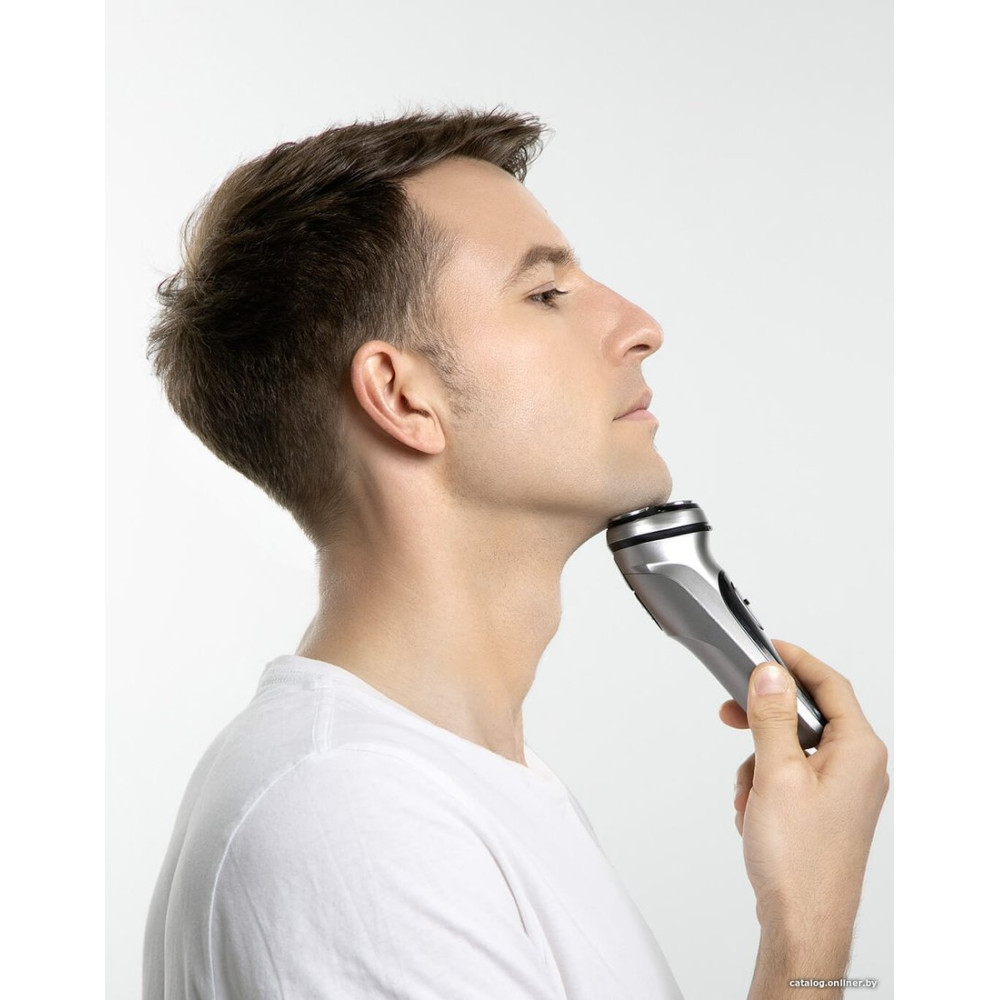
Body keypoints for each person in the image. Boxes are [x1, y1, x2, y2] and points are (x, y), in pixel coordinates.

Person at [142, 107, 889, 1000]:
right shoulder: (352, 817)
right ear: (401, 397)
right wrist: (808, 915)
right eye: (545, 295)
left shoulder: (457, 785)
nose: (642, 326)